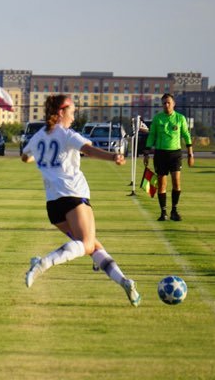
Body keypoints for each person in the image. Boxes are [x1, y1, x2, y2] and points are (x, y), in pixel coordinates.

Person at [22, 94, 141, 307]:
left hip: (53, 205)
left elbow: (25, 156)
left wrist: (42, 158)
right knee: (86, 245)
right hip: (73, 196)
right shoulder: (67, 134)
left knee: (92, 246)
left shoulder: (39, 135)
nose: (74, 114)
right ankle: (43, 263)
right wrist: (113, 156)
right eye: (72, 110)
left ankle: (124, 282)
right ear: (61, 112)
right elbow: (88, 150)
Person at [143, 93, 194, 221]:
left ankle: (174, 211)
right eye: (164, 103)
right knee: (161, 184)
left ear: (173, 104)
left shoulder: (180, 118)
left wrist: (190, 154)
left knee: (176, 182)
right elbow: (151, 136)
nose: (166, 105)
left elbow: (186, 136)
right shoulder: (158, 118)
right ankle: (163, 212)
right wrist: (146, 152)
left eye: (168, 103)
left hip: (175, 154)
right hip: (160, 154)